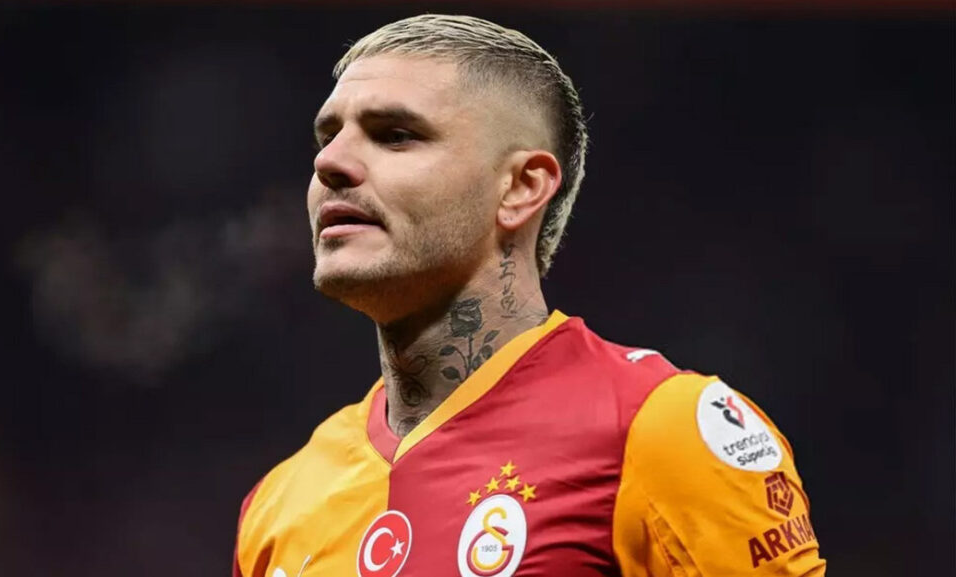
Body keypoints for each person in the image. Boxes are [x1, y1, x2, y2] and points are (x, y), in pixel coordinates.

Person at [233, 14, 826, 577]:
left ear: (520, 188)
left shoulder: (658, 430)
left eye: (396, 136)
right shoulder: (282, 502)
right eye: (327, 137)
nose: (330, 163)